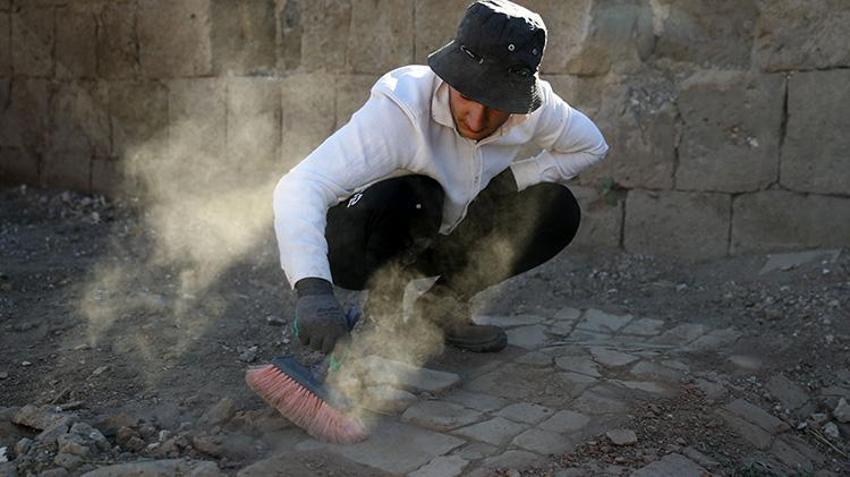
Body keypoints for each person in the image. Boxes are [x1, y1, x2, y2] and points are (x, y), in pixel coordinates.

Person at [273, 0, 609, 355]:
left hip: (444, 239)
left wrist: (511, 179)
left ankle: (439, 308)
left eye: (496, 104)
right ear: (450, 76)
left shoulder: (535, 108)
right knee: (418, 193)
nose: (477, 121)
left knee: (557, 208)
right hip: (366, 242)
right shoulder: (400, 107)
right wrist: (313, 291)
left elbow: (592, 146)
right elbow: (301, 185)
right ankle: (383, 307)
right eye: (467, 96)